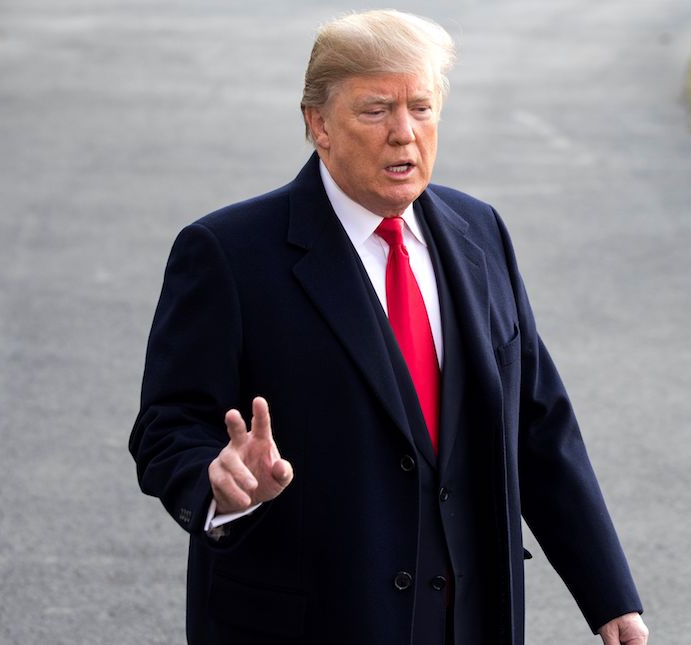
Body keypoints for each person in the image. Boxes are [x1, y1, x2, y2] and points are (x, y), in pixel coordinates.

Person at [129, 9, 648, 645]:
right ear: (318, 123)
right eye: (376, 111)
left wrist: (608, 595)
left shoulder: (479, 231)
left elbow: (538, 426)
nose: (404, 134)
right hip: (306, 621)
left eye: (421, 109)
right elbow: (166, 426)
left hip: (470, 618)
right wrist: (219, 480)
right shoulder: (227, 253)